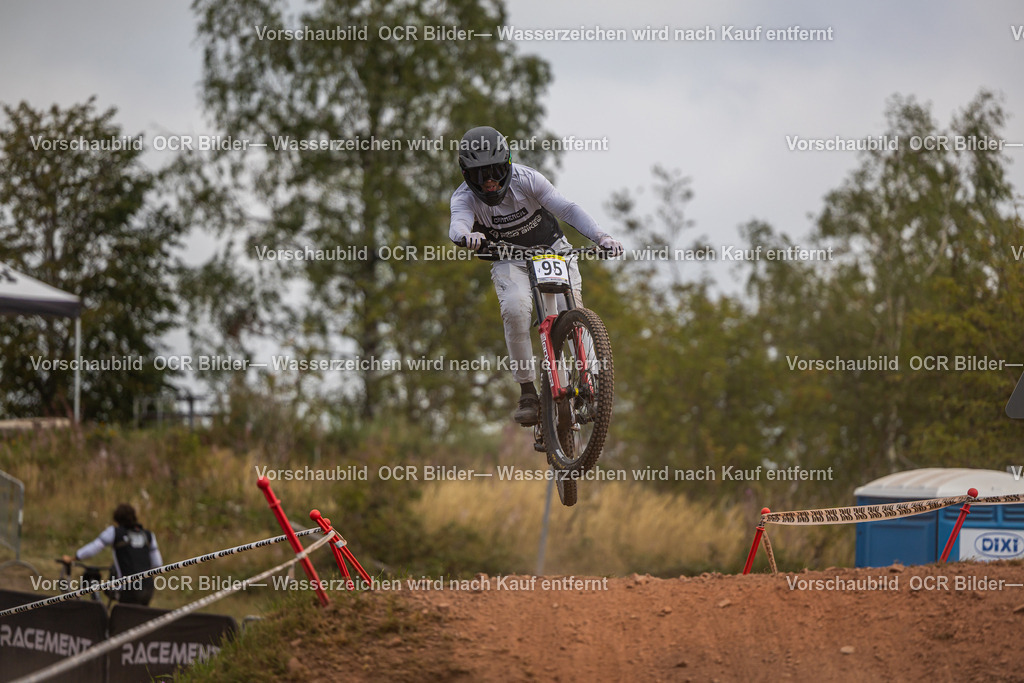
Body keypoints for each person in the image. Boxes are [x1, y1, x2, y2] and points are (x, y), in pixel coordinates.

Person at [449, 126, 623, 426]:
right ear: (466, 176)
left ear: (508, 165)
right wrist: (466, 236)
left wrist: (600, 236)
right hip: (510, 258)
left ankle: (591, 381)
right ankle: (527, 390)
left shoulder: (528, 179)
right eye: (479, 175)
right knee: (515, 308)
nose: (489, 183)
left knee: (573, 312)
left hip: (553, 249)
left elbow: (567, 208)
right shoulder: (464, 197)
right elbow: (458, 224)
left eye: (494, 173)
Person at [63, 503, 163, 605]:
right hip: (148, 588)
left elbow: (93, 548)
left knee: (108, 590)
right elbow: (158, 563)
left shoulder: (115, 532)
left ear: (116, 518)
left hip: (127, 589)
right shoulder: (148, 535)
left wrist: (73, 558)